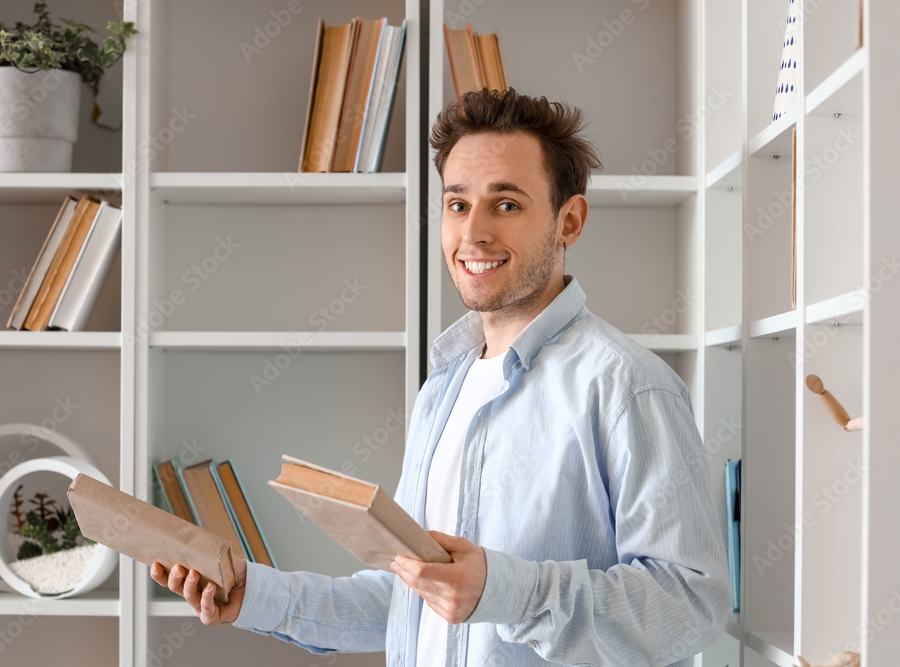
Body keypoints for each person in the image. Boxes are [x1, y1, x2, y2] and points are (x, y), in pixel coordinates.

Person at [151, 87, 731, 666]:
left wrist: (508, 592)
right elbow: (409, 596)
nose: (473, 233)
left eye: (506, 204)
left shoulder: (627, 385)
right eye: (457, 204)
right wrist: (257, 596)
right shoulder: (444, 387)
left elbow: (690, 604)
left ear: (569, 221)